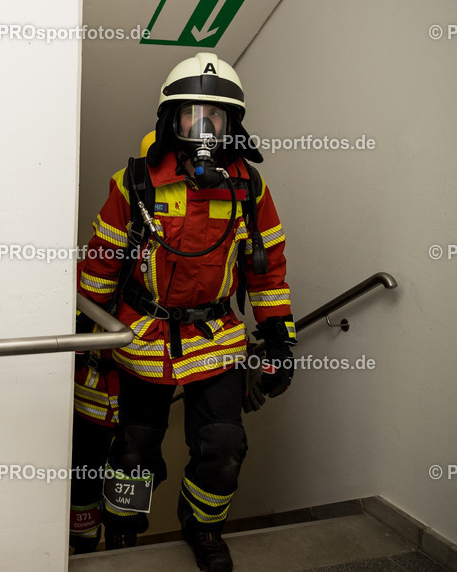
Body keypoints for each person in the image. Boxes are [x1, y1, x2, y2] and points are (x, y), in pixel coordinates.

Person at [74, 53, 296, 571]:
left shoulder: (249, 189)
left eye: (214, 116)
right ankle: (124, 535)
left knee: (223, 446)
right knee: (132, 452)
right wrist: (88, 337)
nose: (203, 127)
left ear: (232, 125)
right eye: (191, 114)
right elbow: (102, 263)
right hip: (139, 340)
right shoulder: (134, 184)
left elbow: (268, 270)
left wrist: (280, 338)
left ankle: (203, 528)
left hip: (215, 338)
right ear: (170, 120)